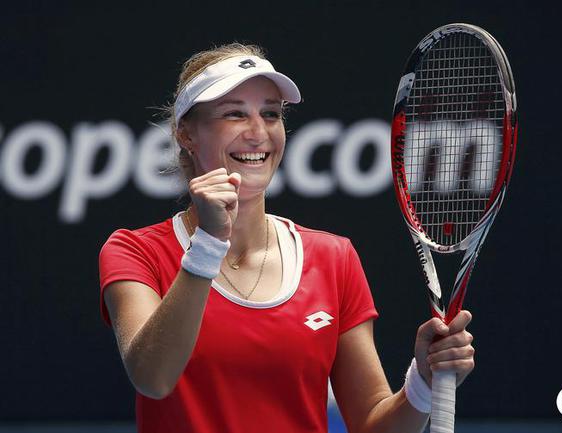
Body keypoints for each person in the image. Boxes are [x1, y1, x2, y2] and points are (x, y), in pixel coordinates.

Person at [99, 43, 475, 433]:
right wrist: (209, 243)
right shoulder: (135, 252)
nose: (258, 133)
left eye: (271, 114)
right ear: (186, 134)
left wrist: (423, 384)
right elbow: (153, 378)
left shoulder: (334, 257)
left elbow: (371, 424)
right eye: (234, 114)